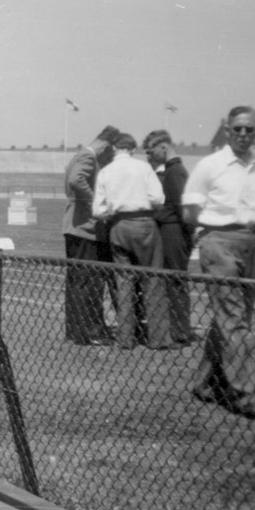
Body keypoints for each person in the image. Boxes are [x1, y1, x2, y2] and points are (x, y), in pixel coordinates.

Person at [182, 106, 255, 419]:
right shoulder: (211, 164)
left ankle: (203, 383)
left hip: (251, 244)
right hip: (219, 244)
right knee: (234, 320)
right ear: (228, 129)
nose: (244, 135)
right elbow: (189, 208)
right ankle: (242, 390)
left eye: (250, 130)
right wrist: (210, 233)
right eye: (238, 129)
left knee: (234, 316)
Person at [92, 133, 172, 350]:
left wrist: (115, 210)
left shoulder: (106, 172)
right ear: (133, 149)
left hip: (118, 226)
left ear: (115, 149)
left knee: (124, 283)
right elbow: (158, 198)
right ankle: (158, 338)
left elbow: (98, 210)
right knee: (153, 279)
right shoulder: (143, 168)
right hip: (144, 224)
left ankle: (125, 338)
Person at [62, 125, 120, 346]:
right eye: (111, 151)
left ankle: (76, 331)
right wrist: (97, 202)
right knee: (89, 283)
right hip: (85, 229)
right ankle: (90, 330)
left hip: (75, 228)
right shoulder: (88, 156)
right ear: (107, 145)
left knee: (78, 282)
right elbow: (77, 181)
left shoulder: (80, 154)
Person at [143, 130, 196, 344]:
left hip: (174, 232)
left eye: (151, 151)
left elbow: (184, 208)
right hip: (172, 230)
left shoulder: (175, 172)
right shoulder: (174, 171)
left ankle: (181, 331)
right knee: (173, 281)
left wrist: (189, 232)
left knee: (175, 281)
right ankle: (177, 329)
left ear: (164, 147)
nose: (150, 155)